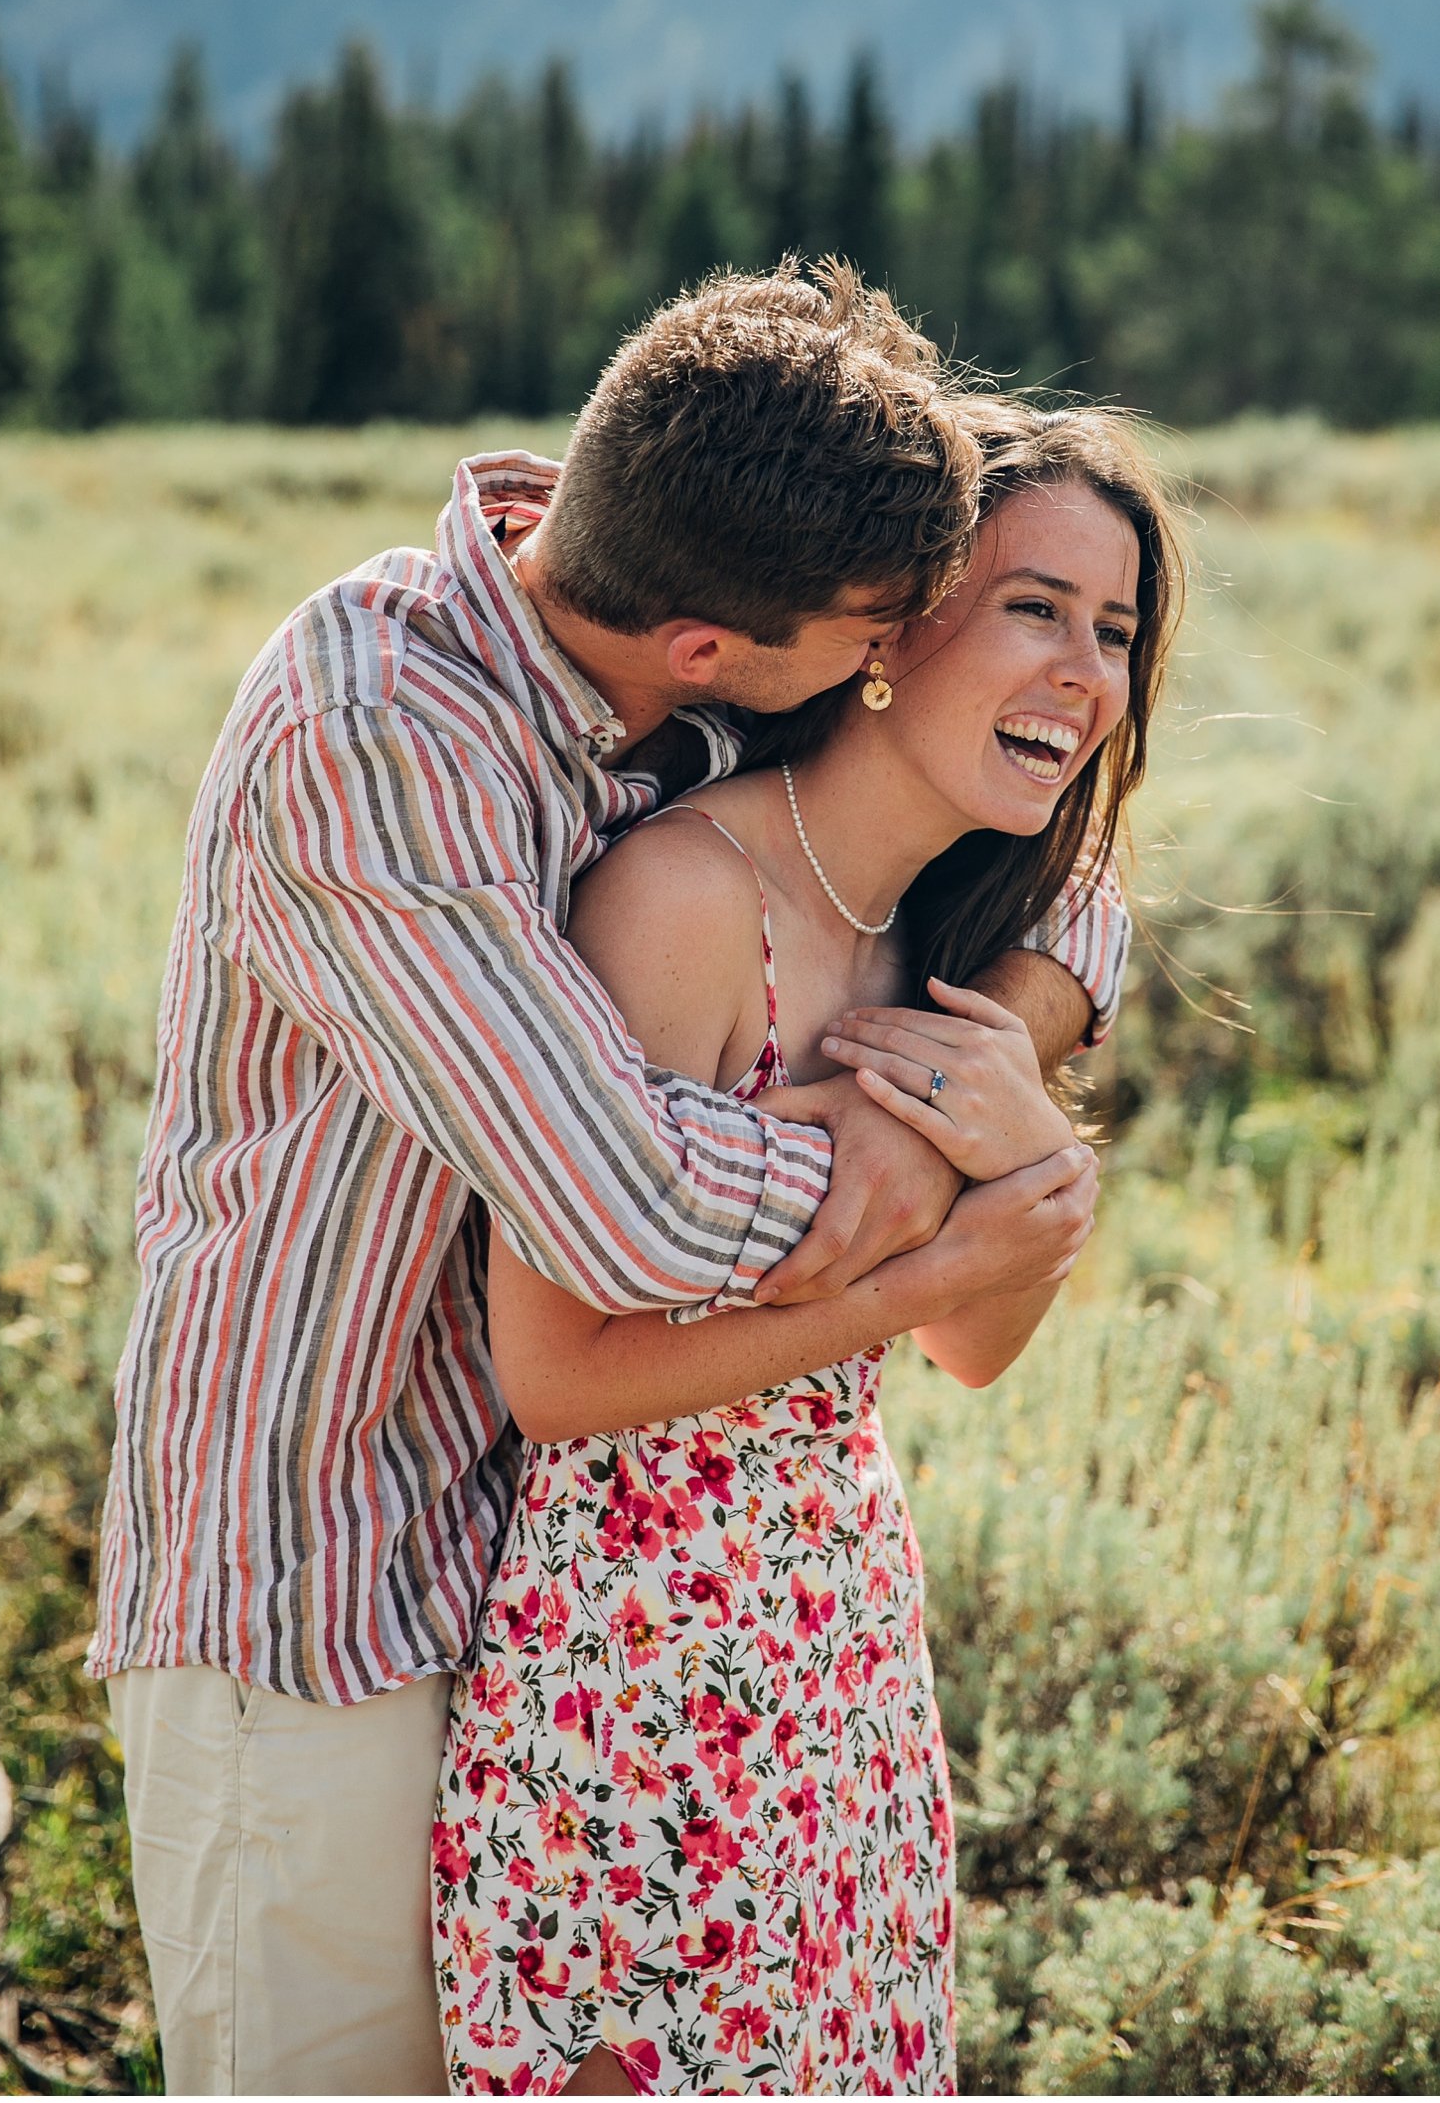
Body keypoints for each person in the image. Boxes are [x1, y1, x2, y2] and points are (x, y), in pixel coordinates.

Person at [88, 268, 1130, 2098]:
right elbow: (625, 1214)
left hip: (546, 1582)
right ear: (733, 651)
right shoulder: (384, 739)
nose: (899, 656)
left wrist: (1010, 1031)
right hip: (313, 1569)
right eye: (907, 622)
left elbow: (1043, 850)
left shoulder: (672, 648)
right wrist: (917, 1162)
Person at [434, 404, 1182, 2097]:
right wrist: (913, 1275)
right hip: (636, 1692)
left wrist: (1021, 1168)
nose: (1083, 669)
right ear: (890, 629)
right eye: (1035, 607)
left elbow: (978, 1354)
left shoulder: (949, 940)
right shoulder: (684, 898)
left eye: (1116, 629)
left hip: (840, 1663)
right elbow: (554, 1379)